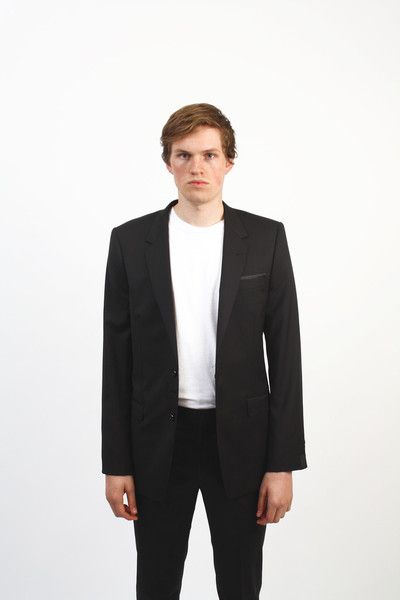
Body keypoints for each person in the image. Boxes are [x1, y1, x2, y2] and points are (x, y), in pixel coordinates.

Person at [101, 102, 308, 600]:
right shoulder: (130, 242)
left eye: (210, 155)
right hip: (158, 442)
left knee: (240, 584)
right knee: (156, 583)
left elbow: (285, 356)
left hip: (241, 442)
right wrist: (116, 462)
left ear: (229, 161)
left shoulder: (265, 238)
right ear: (168, 163)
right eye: (184, 155)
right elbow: (116, 359)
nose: (197, 167)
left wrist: (282, 463)